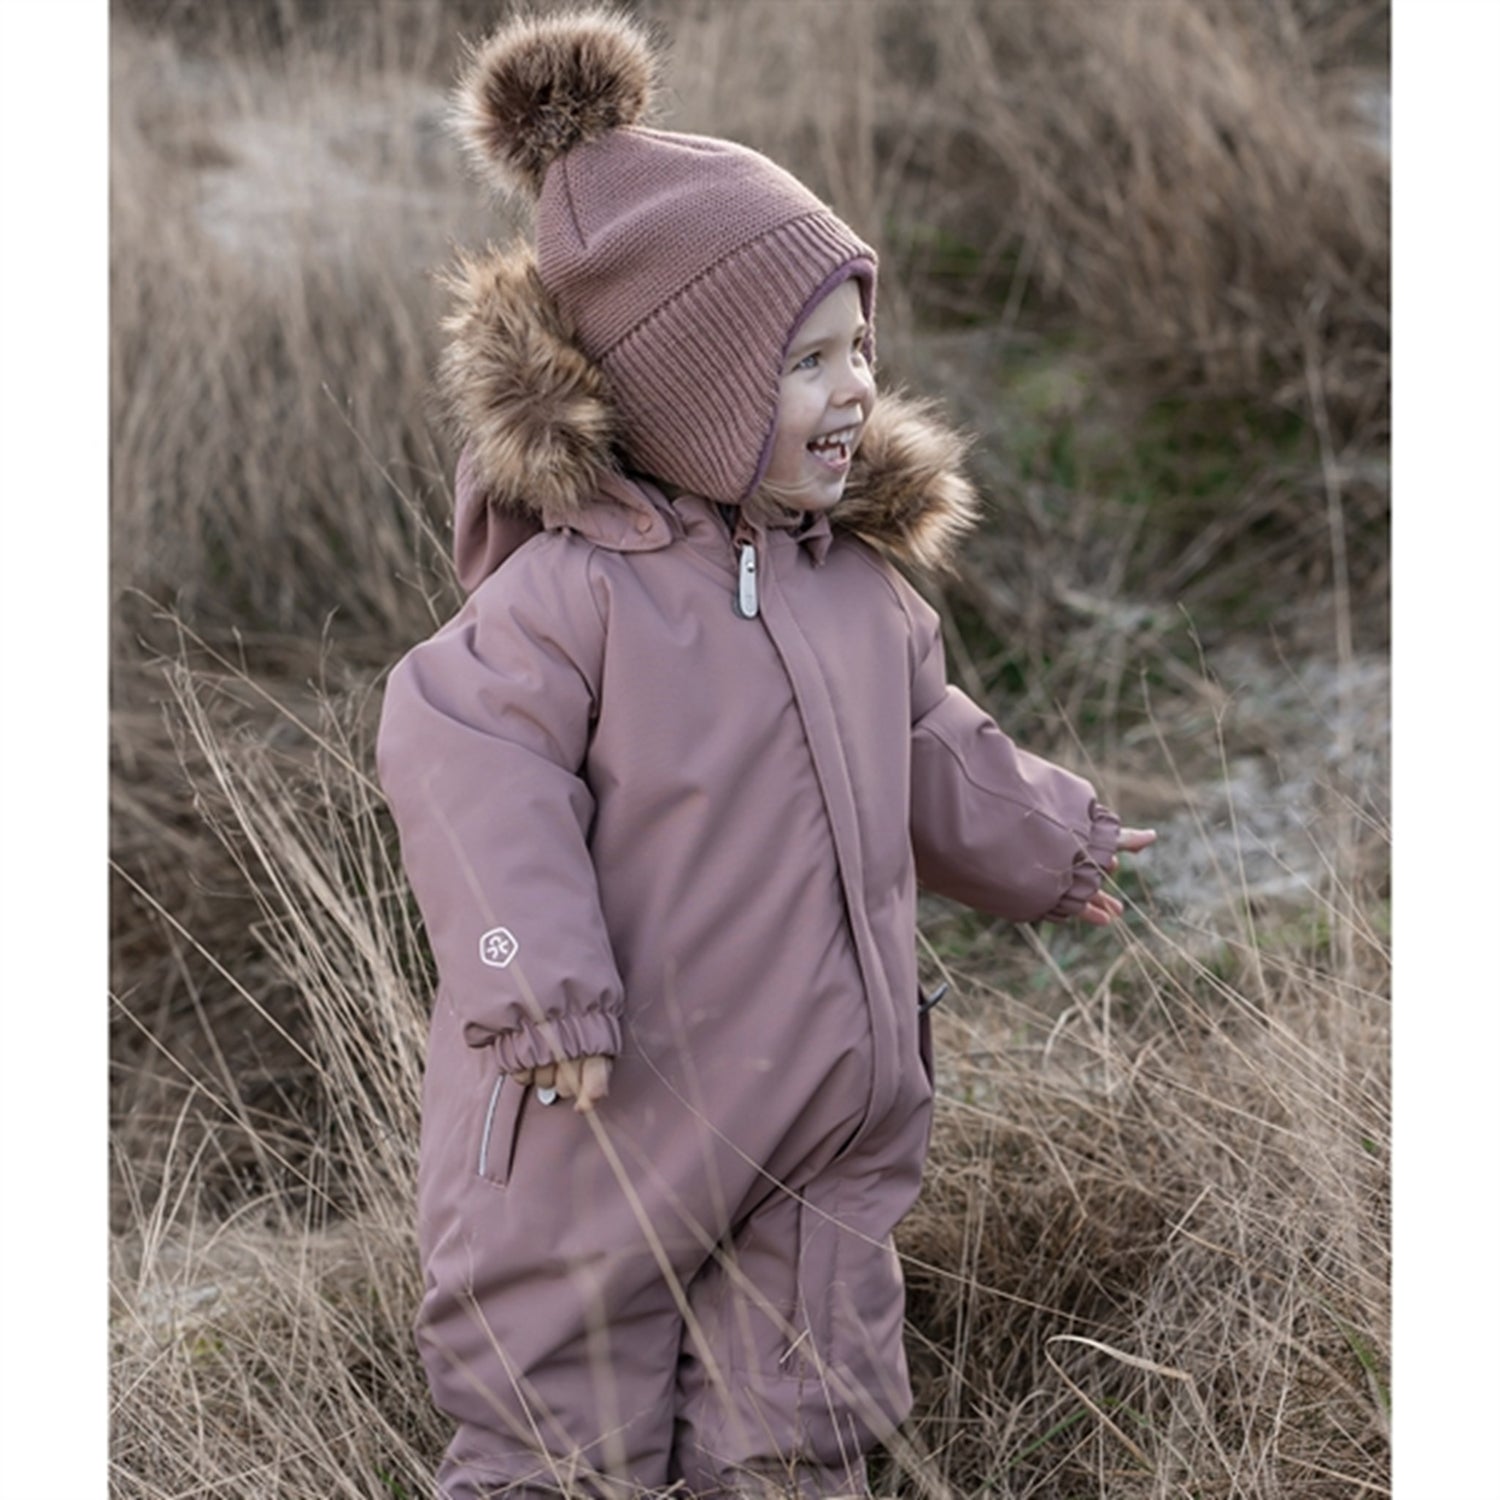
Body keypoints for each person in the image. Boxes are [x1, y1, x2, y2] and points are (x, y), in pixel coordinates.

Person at [377, 9, 1156, 1497]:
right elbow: (462, 756)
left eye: (860, 346)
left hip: (821, 1116)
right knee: (560, 1432)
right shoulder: (576, 596)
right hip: (600, 1111)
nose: (855, 386)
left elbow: (924, 744)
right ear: (691, 394)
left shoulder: (854, 587)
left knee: (800, 1424)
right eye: (807, 361)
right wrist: (532, 976)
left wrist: (1049, 837)